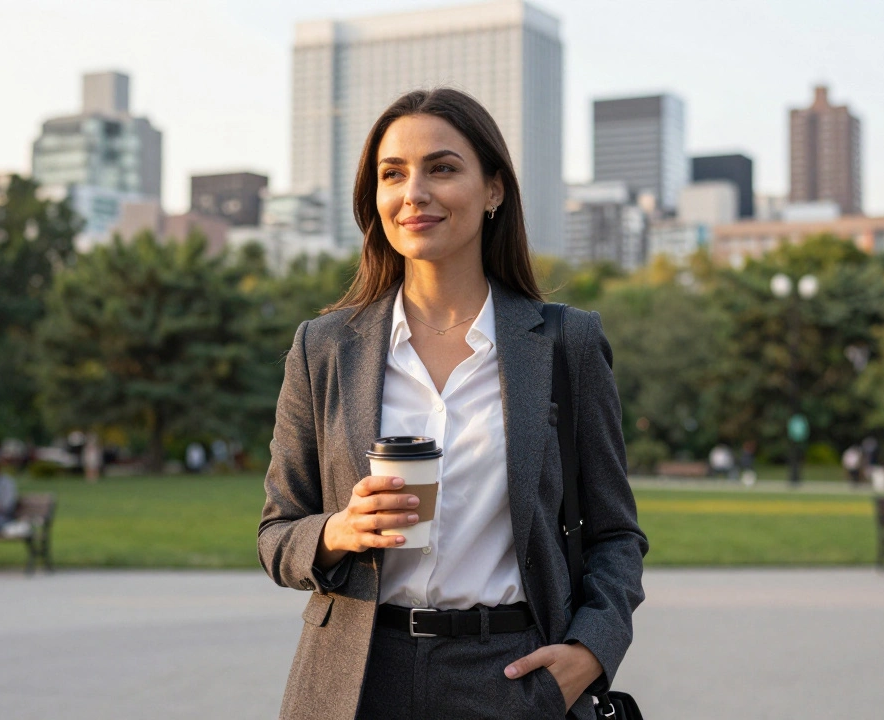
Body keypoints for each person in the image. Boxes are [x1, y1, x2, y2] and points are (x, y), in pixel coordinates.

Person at [259, 88, 647, 720]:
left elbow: (615, 533)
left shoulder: (563, 344)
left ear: (493, 189)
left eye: (442, 168)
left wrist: (590, 651)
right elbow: (276, 534)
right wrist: (338, 531)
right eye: (393, 174)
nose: (414, 192)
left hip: (512, 676)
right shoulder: (324, 347)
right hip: (355, 682)